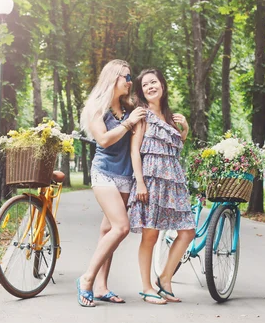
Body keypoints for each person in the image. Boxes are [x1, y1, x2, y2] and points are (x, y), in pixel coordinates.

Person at [76, 59, 147, 307]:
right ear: (113, 78)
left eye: (130, 77)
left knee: (108, 232)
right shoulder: (98, 108)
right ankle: (87, 279)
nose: (129, 82)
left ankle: (101, 287)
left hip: (125, 175)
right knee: (121, 228)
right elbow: (104, 140)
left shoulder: (128, 109)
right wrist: (128, 124)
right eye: (126, 77)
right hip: (104, 172)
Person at [127, 68, 195, 304]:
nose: (150, 87)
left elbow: (175, 146)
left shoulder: (170, 116)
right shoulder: (142, 115)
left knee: (187, 231)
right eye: (145, 85)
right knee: (150, 234)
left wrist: (184, 129)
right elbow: (135, 150)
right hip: (151, 179)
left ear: (162, 85)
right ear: (142, 91)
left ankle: (165, 279)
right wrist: (140, 183)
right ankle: (147, 287)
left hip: (173, 180)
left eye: (153, 82)